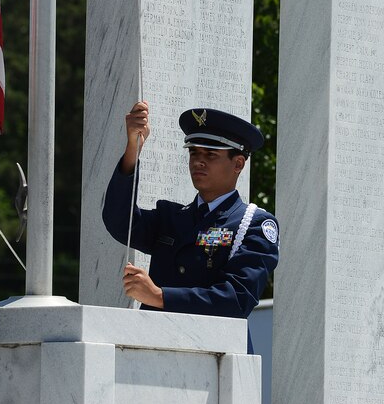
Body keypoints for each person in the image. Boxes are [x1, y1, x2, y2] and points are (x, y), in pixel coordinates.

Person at [102, 101, 279, 351]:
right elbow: (119, 221)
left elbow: (236, 299)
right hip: (154, 349)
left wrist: (160, 297)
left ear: (238, 163)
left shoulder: (253, 223)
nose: (198, 162)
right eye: (194, 152)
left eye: (210, 155)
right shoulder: (172, 218)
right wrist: (134, 148)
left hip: (217, 359)